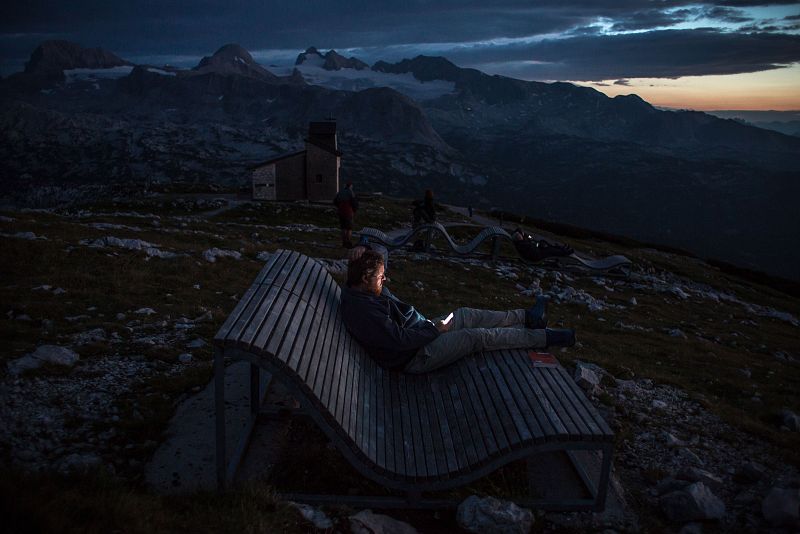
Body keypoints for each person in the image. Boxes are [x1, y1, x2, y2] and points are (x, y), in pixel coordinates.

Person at [341, 250, 576, 373]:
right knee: (476, 336)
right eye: (381, 277)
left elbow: (399, 330)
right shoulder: (363, 310)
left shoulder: (361, 291)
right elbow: (398, 340)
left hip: (420, 334)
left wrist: (364, 249)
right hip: (415, 356)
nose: (385, 280)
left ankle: (526, 317)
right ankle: (545, 337)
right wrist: (435, 331)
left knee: (465, 315)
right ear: (365, 278)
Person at [333, 181, 358, 248]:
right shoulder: (351, 192)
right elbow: (354, 203)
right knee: (349, 228)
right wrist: (354, 210)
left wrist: (339, 207)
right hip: (348, 212)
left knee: (343, 228)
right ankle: (348, 242)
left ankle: (344, 242)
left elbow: (335, 201)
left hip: (341, 212)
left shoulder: (340, 192)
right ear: (350, 186)